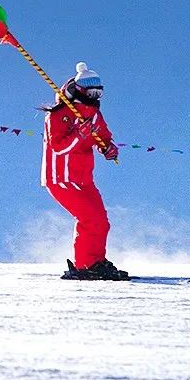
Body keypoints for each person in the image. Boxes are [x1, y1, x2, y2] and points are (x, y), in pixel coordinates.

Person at [41, 62, 125, 280]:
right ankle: (86, 265)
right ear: (79, 89)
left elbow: (103, 137)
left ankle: (96, 261)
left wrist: (108, 148)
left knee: (101, 221)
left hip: (84, 178)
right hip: (62, 178)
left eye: (99, 92)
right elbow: (58, 148)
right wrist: (80, 133)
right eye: (92, 91)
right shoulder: (59, 114)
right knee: (90, 218)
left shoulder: (94, 115)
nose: (96, 96)